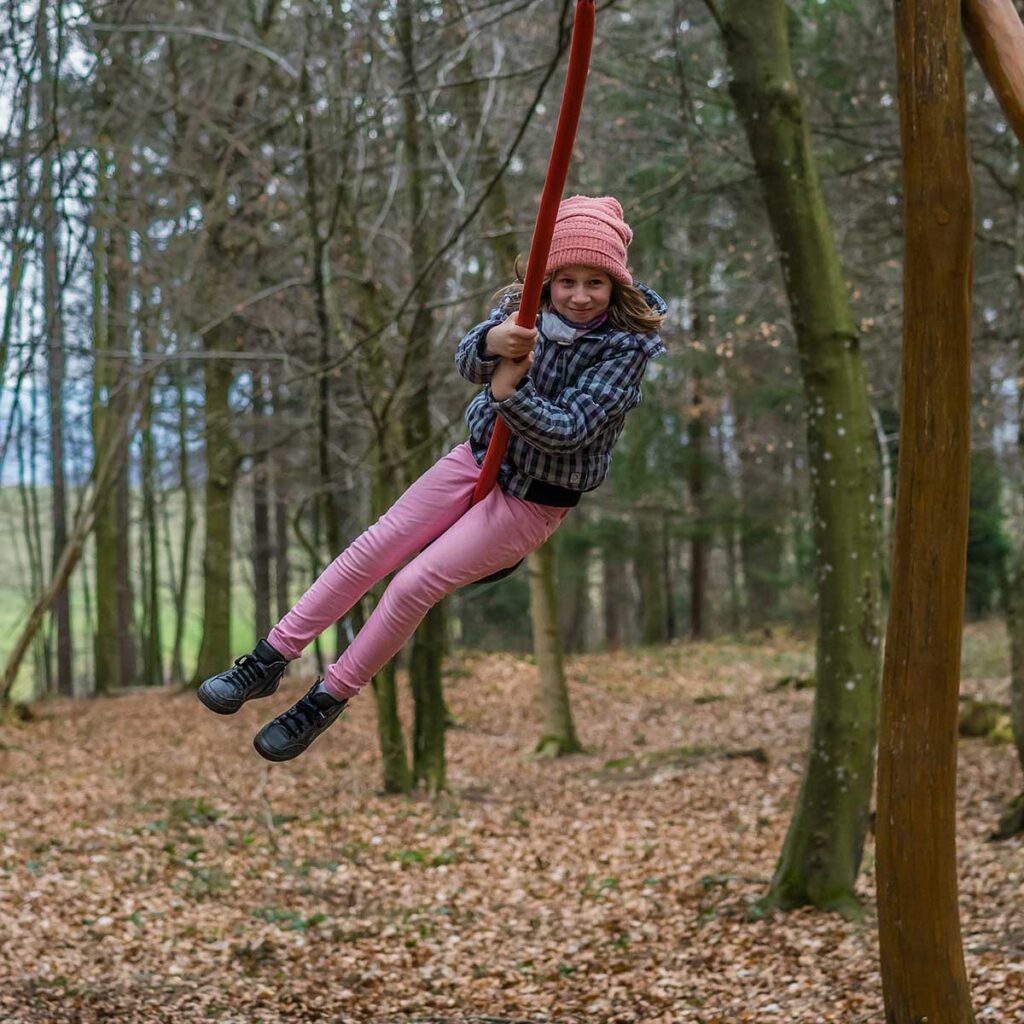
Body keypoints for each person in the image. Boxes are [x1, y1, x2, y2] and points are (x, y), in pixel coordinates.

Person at [197, 195, 667, 762]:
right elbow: (469, 358)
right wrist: (492, 345)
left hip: (534, 497)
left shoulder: (627, 346)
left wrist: (506, 395)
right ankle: (269, 659)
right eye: (566, 279)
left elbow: (572, 429)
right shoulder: (523, 308)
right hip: (473, 459)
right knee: (373, 549)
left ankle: (323, 700)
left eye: (596, 282)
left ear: (617, 284)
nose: (579, 295)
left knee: (413, 583)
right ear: (548, 278)